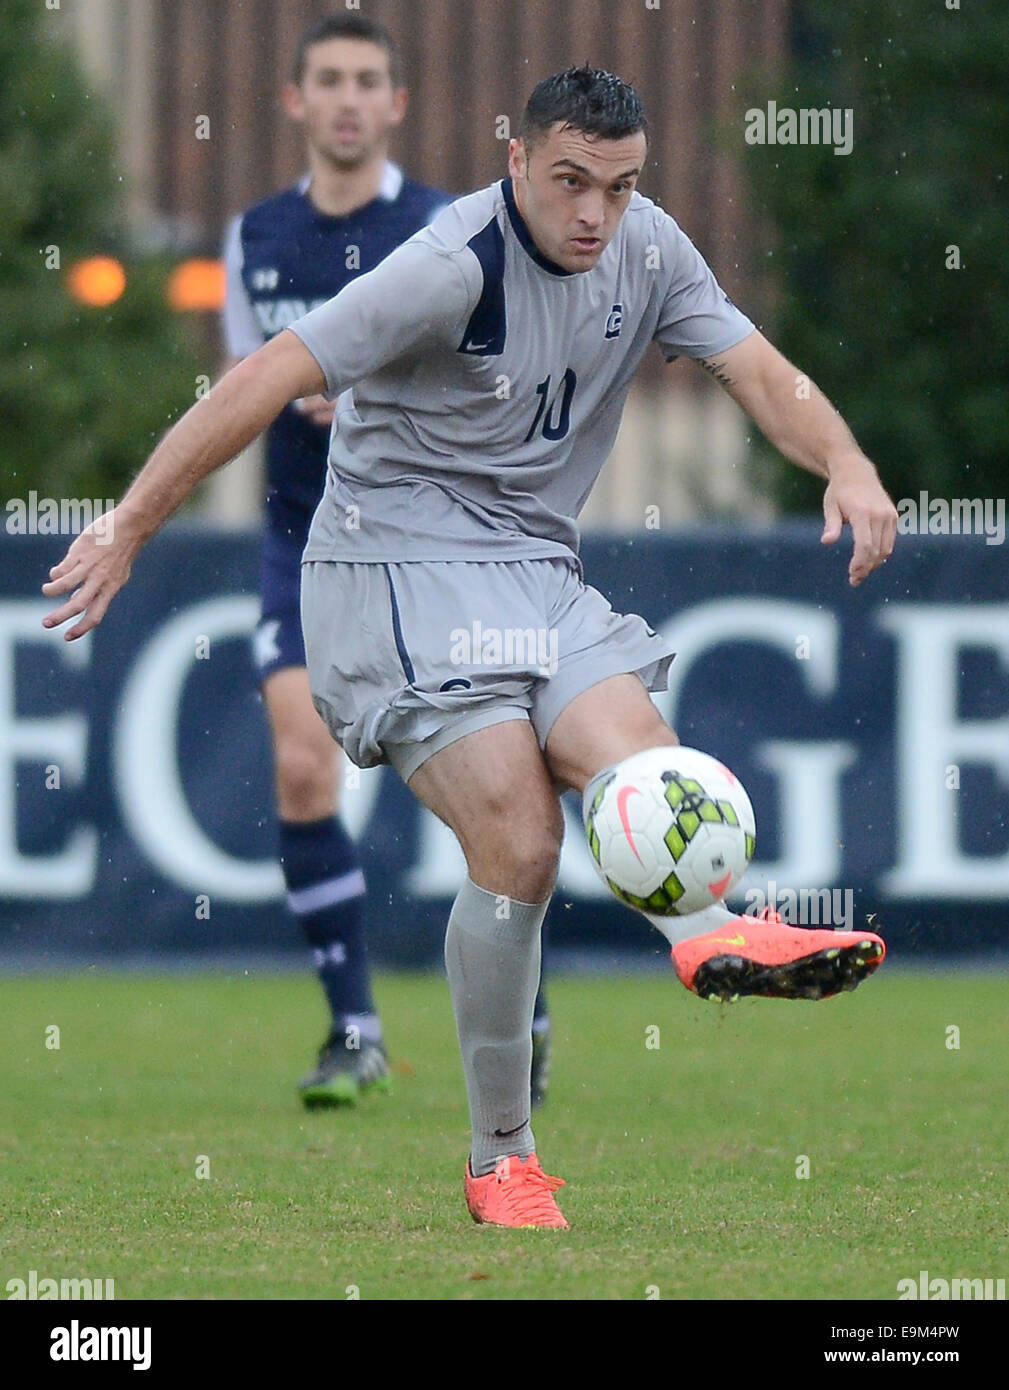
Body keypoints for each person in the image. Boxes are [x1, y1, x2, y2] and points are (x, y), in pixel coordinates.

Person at [44, 66, 896, 1230]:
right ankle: (503, 1156)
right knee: (520, 831)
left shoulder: (649, 245)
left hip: (530, 570)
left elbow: (757, 372)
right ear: (515, 164)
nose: (596, 210)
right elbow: (268, 373)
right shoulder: (451, 264)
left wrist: (844, 459)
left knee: (648, 768)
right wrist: (134, 520)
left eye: (619, 184)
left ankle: (707, 931)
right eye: (570, 182)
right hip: (381, 570)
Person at [221, 11, 553, 1107]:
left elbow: (490, 386)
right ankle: (353, 1028)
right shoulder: (253, 237)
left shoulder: (444, 227)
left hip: (432, 546)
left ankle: (520, 1002)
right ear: (297, 101)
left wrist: (361, 384)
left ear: (398, 103)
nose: (349, 98)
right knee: (305, 764)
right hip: (303, 542)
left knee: (476, 782)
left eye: (369, 79)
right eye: (329, 80)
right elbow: (241, 385)